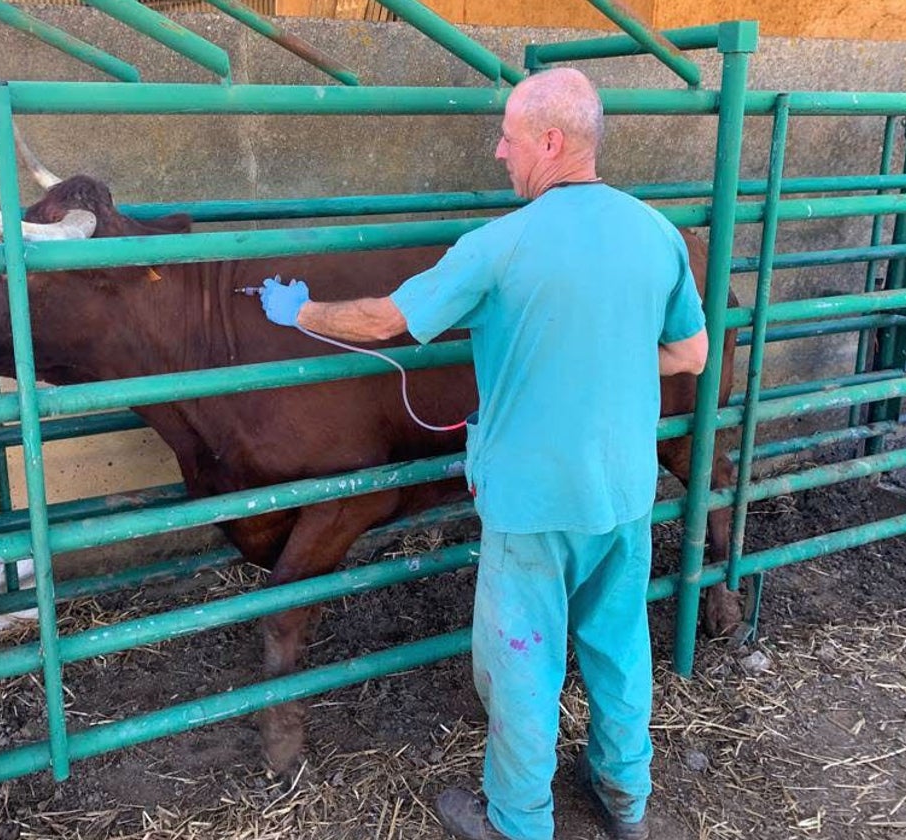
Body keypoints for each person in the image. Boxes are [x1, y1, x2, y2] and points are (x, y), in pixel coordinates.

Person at [256, 67, 708, 840]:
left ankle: (518, 822)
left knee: (523, 665)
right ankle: (626, 799)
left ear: (553, 142)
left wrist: (301, 310)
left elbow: (384, 322)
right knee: (619, 646)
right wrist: (609, 360)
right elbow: (692, 354)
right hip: (624, 492)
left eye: (509, 136)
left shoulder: (499, 245)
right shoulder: (656, 233)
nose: (500, 151)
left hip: (533, 504)